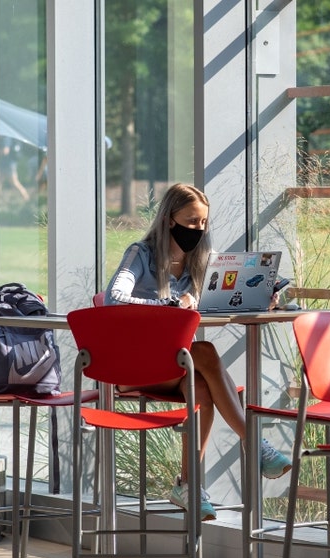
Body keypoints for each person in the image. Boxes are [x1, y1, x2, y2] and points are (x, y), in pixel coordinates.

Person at [105, 182, 292, 521]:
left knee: (202, 385)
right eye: (191, 222)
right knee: (202, 350)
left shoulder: (200, 262)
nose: (198, 230)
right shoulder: (141, 254)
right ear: (168, 220)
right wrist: (170, 303)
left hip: (172, 366)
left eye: (203, 223)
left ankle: (188, 486)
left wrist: (260, 298)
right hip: (134, 367)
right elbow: (113, 299)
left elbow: (215, 305)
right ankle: (252, 440)